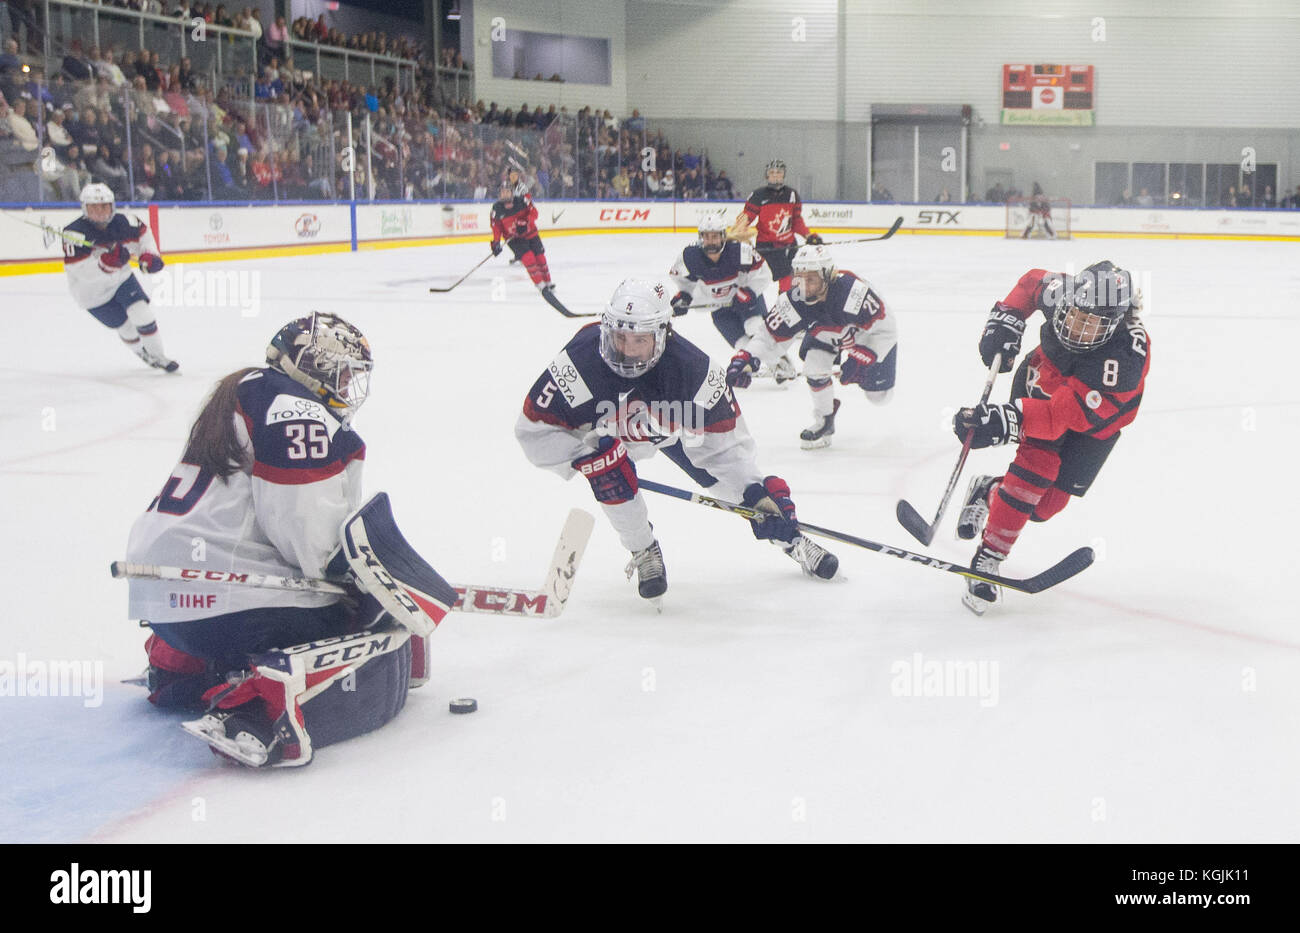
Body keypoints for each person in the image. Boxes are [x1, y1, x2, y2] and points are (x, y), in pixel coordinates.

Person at [125, 312, 456, 767]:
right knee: (369, 622)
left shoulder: (246, 390)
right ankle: (255, 712)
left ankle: (177, 666)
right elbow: (308, 536)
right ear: (311, 366)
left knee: (320, 603)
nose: (347, 386)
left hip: (165, 604)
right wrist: (359, 587)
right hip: (225, 605)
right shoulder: (295, 409)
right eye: (341, 373)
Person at [515, 279, 839, 604]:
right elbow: (534, 432)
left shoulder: (694, 372)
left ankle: (793, 540)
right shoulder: (581, 361)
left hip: (673, 428)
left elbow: (728, 452)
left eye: (639, 340)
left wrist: (756, 495)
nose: (626, 350)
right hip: (608, 432)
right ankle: (643, 549)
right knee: (611, 478)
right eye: (619, 337)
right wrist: (587, 458)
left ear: (661, 335)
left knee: (744, 492)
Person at [952, 261, 1150, 615]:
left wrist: (1004, 420)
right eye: (1074, 314)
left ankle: (989, 490)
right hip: (1044, 378)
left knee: (1044, 508)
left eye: (1089, 323)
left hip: (1093, 419)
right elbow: (1030, 283)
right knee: (1035, 470)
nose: (1075, 326)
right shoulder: (1063, 292)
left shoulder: (1122, 359)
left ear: (1114, 323)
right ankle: (989, 556)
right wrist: (1007, 319)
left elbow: (1061, 416)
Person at [726, 245, 897, 450]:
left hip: (864, 335)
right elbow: (768, 337)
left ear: (827, 276)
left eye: (812, 280)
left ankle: (872, 382)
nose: (804, 286)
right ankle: (825, 420)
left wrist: (862, 358)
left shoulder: (853, 294)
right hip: (825, 334)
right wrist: (745, 359)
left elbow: (886, 330)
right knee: (814, 368)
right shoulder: (795, 300)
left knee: (878, 397)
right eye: (800, 278)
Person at [62, 183, 178, 372]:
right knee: (125, 327)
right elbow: (79, 271)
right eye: (94, 208)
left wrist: (149, 255)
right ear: (85, 208)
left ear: (112, 206)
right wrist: (105, 264)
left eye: (104, 206)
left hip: (121, 279)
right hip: (91, 294)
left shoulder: (128, 223)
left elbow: (144, 238)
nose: (99, 212)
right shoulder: (74, 234)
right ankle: (142, 353)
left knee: (141, 312)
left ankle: (160, 357)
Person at [667, 214, 792, 381]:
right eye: (706, 237)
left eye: (715, 236)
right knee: (741, 343)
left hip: (747, 300)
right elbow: (683, 282)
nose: (710, 241)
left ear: (723, 237)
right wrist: (684, 296)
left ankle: (781, 362)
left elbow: (764, 274)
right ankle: (773, 362)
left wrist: (747, 292)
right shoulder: (689, 257)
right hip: (718, 307)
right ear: (700, 238)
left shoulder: (740, 251)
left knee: (755, 329)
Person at [732, 159, 820, 279]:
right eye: (772, 172)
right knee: (783, 276)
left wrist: (808, 236)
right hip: (767, 246)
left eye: (778, 172)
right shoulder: (758, 195)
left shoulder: (792, 195)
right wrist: (738, 232)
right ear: (767, 175)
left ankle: (785, 297)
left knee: (796, 277)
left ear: (783, 174)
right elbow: (746, 217)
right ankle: (782, 297)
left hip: (790, 245)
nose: (775, 175)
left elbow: (796, 220)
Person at [490, 178, 554, 294]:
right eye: (502, 192)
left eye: (507, 191)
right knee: (529, 258)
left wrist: (525, 222)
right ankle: (540, 284)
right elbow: (496, 227)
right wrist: (496, 243)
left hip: (531, 233)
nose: (504, 194)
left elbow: (534, 213)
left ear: (512, 192)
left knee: (540, 258)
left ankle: (548, 282)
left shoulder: (522, 201)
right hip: (515, 239)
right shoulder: (496, 208)